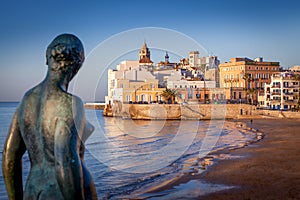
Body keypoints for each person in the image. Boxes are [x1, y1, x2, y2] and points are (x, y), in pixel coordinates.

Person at [2, 34, 97, 200]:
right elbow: (65, 162)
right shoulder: (70, 103)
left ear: (48, 58)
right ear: (78, 64)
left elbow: (9, 156)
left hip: (33, 190)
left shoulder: (26, 100)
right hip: (60, 193)